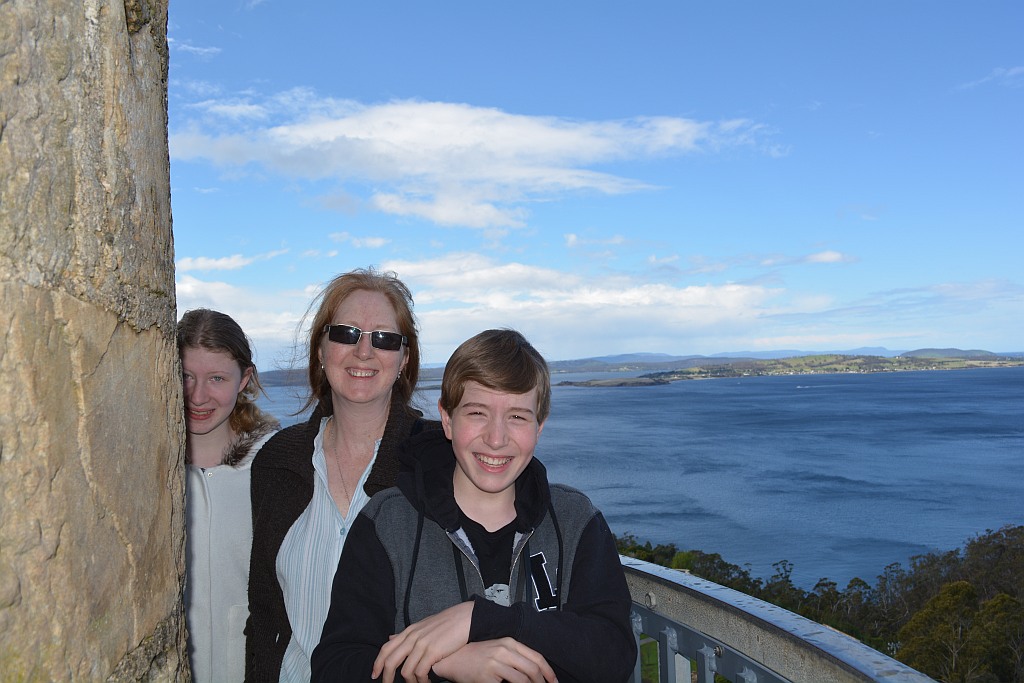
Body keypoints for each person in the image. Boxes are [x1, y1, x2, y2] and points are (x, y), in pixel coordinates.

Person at [311, 329, 637, 683]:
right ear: (447, 420)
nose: (496, 439)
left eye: (517, 417)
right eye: (477, 413)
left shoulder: (576, 522)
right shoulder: (387, 525)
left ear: (539, 426)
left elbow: (615, 654)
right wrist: (441, 666)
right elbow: (335, 667)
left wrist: (483, 620)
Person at [246, 268, 438, 682]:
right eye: (346, 333)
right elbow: (264, 613)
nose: (364, 351)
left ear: (405, 359)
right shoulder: (278, 461)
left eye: (384, 338)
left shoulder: (435, 461)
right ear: (320, 349)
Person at [178, 308, 280, 683]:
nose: (198, 395)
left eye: (216, 378)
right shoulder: (143, 470)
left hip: (250, 666)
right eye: (184, 376)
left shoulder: (274, 465)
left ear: (244, 380)